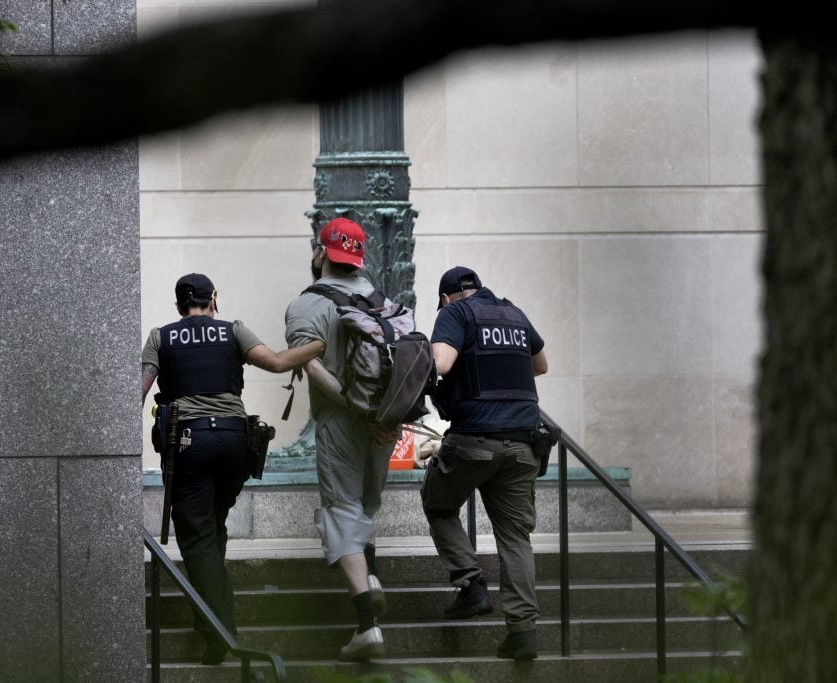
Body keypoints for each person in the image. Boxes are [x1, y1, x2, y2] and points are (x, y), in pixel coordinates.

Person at [141, 273, 324, 665]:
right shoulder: (233, 331)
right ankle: (207, 614)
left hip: (189, 444)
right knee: (213, 527)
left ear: (178, 307)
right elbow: (276, 362)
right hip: (233, 442)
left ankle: (219, 630)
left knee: (197, 538)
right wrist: (318, 345)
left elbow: (139, 390)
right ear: (214, 300)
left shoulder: (161, 337)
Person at [284, 217, 399, 661]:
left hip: (341, 418)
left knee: (341, 510)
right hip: (384, 423)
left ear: (320, 252)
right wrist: (383, 415)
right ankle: (369, 577)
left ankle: (367, 627)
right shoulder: (379, 298)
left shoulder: (306, 305)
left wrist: (356, 408)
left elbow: (312, 367)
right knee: (366, 505)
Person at [421, 266, 549, 661]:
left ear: (445, 298)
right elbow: (540, 365)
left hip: (474, 439)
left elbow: (440, 363)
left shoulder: (454, 313)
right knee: (515, 538)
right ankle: (522, 634)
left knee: (439, 503)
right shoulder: (513, 313)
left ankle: (471, 584)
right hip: (525, 443)